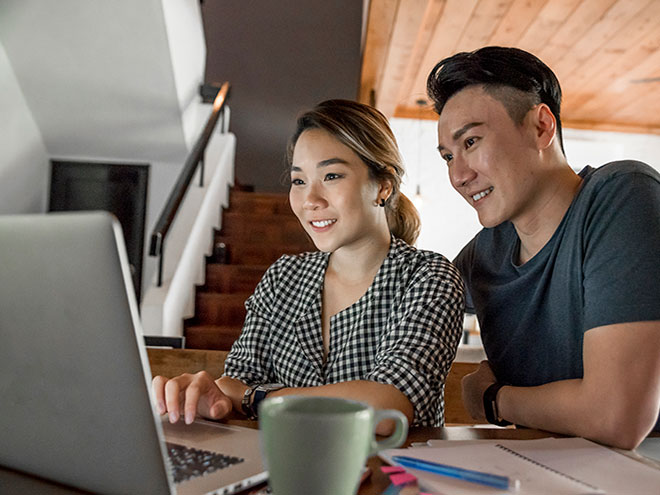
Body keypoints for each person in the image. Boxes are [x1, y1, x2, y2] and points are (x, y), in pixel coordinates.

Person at [153, 99, 465, 432]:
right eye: (299, 181)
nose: (310, 200)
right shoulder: (283, 278)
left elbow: (388, 408)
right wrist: (209, 395)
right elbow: (234, 383)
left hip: (390, 477)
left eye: (331, 176)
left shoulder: (429, 276)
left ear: (383, 186)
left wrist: (255, 399)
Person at [426, 46, 660, 449]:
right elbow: (408, 295)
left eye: (471, 142)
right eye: (448, 156)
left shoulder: (624, 196)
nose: (459, 175)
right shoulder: (486, 252)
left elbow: (616, 417)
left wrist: (494, 399)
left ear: (541, 127)